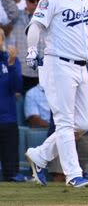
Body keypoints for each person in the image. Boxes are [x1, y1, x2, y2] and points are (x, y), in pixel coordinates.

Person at [24, 0, 88, 188]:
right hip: (56, 63)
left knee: (83, 123)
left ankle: (40, 155)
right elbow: (36, 26)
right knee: (64, 122)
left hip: (81, 66)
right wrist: (31, 51)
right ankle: (73, 174)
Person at [0, 29, 23, 182]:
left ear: (3, 40)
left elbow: (17, 87)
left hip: (7, 119)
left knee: (11, 174)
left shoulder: (11, 60)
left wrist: (12, 65)